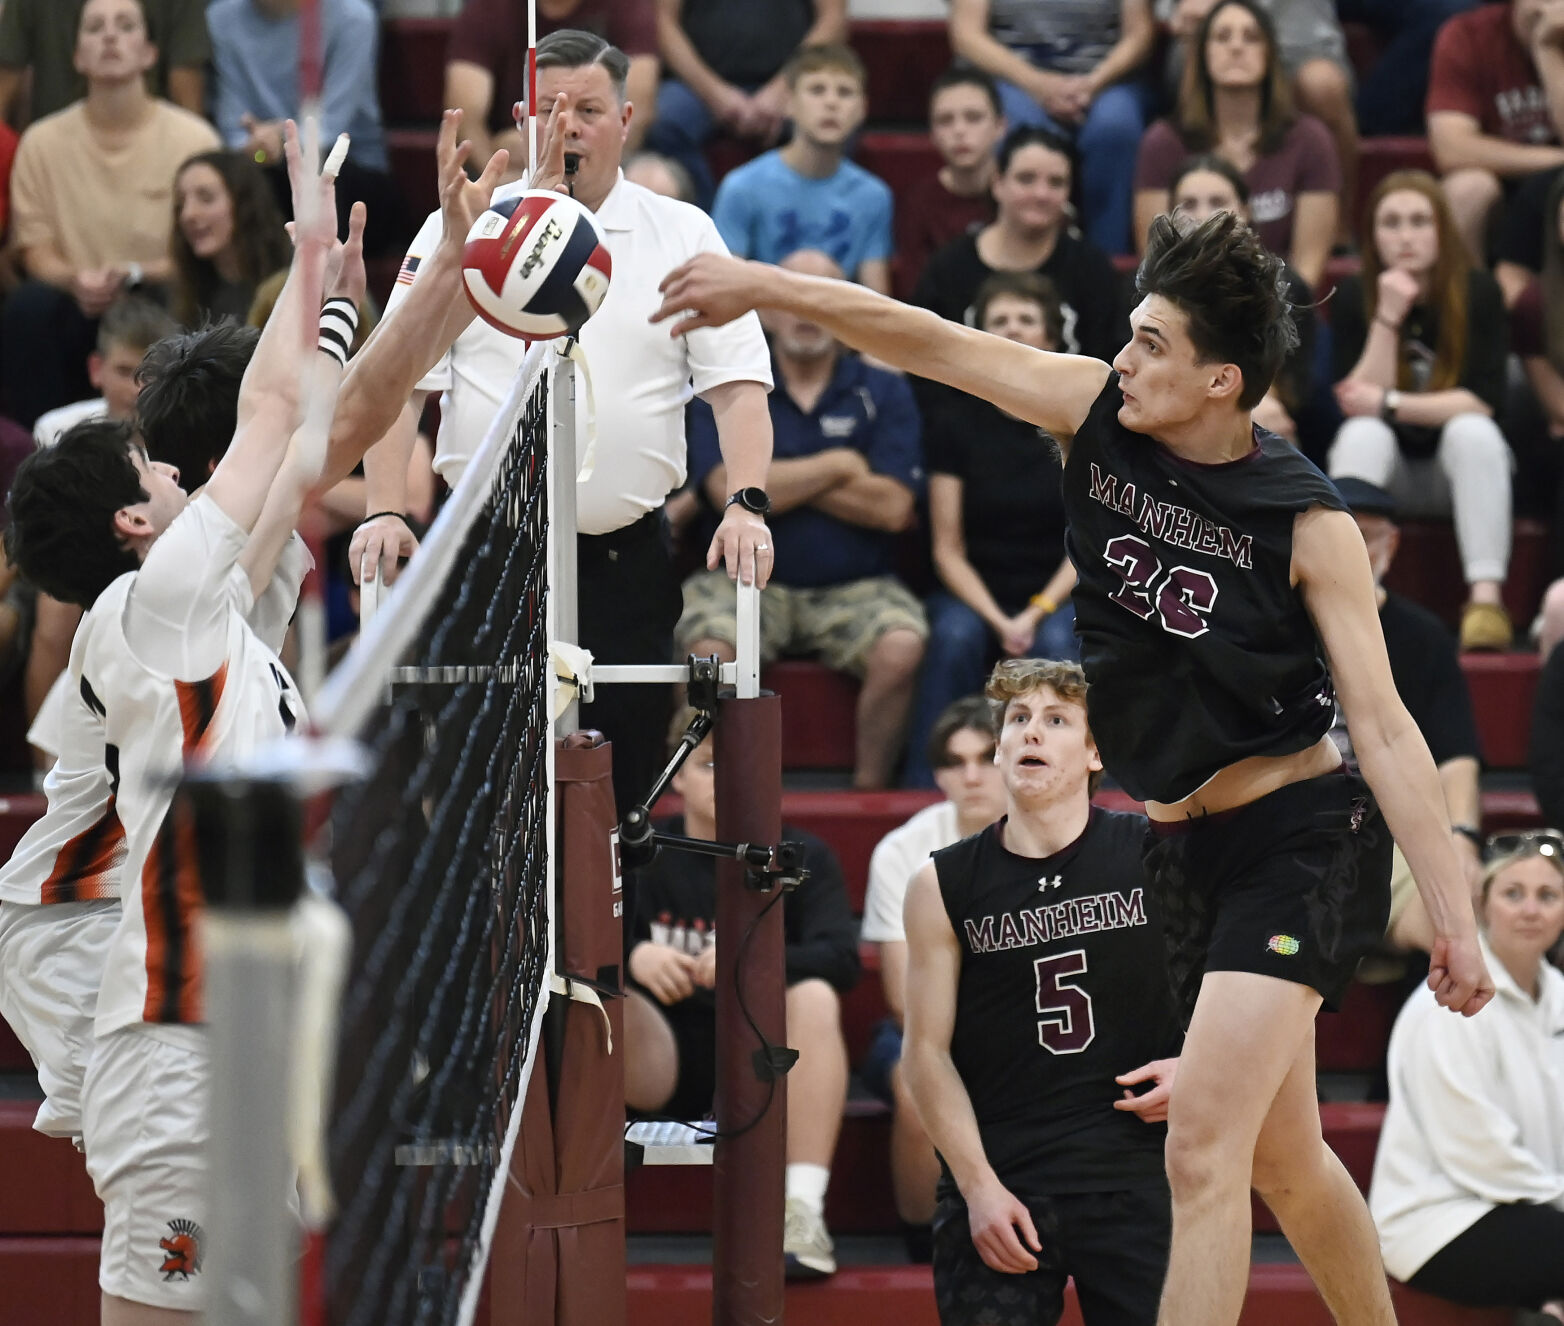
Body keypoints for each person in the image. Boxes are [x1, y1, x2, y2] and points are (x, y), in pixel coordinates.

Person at [652, 204, 1493, 1326]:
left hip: (1297, 836)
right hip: (1177, 846)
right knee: (1283, 1163)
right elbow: (930, 342)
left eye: (1153, 345)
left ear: (1220, 384)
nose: (1126, 356)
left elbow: (1386, 731)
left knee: (1199, 1153)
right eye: (1130, 332)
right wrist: (769, 282)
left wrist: (1454, 914)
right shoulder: (1093, 411)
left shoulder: (1308, 524)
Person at [350, 29, 775, 820]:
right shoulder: (466, 229)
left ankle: (615, 943)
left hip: (625, 560)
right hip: (487, 553)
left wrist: (746, 502)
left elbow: (739, 388)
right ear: (520, 117)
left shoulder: (681, 232)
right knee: (485, 798)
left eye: (587, 109)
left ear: (626, 117)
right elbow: (395, 386)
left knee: (624, 796)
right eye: (551, 110)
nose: (568, 126)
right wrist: (382, 508)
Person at [901, 658, 1182, 1325]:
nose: (1032, 732)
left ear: (1094, 751)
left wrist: (1205, 1064)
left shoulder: (1161, 854)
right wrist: (977, 1189)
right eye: (1018, 719)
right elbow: (925, 1055)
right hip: (1004, 1186)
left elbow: (1277, 951)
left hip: (1140, 1180)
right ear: (998, 747)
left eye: (1056, 720)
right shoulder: (939, 885)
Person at [625, 711, 860, 1279]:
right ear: (675, 776)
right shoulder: (638, 852)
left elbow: (842, 961)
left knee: (817, 998)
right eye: (708, 766)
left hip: (766, 1061)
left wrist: (746, 961)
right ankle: (565, 1193)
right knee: (597, 993)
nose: (726, 780)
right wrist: (633, 956)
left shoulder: (801, 856)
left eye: (741, 768)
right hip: (666, 1056)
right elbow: (573, 950)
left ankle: (802, 1208)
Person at [679, 248, 924, 789]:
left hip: (855, 586)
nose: (805, 314)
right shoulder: (727, 379)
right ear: (764, 309)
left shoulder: (882, 389)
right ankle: (695, 794)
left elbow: (892, 508)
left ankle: (869, 795)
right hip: (742, 579)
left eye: (821, 298)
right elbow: (721, 487)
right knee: (709, 653)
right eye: (790, 298)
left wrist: (770, 482)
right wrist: (838, 466)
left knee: (901, 645)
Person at [1369, 841, 1564, 1320]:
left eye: (1548, 895)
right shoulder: (1450, 1002)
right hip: (1439, 1219)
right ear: (1482, 904)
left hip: (1532, 1203)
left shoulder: (1558, 996)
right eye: (1513, 893)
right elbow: (1474, 1146)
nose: (1530, 910)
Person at [1, 0, 219, 428]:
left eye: (125, 26)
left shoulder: (193, 139)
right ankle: (35, 454)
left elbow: (205, 245)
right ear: (77, 57)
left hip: (158, 290)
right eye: (95, 28)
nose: (110, 37)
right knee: (28, 308)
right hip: (74, 298)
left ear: (150, 52)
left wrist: (137, 271)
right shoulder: (41, 142)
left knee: (198, 300)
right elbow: (33, 248)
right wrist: (75, 279)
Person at [1325, 171, 1514, 652]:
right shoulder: (1354, 296)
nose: (1405, 236)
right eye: (1390, 223)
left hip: (1460, 472)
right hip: (1390, 471)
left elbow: (1480, 401)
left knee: (1472, 431)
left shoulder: (1479, 292)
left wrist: (1391, 403)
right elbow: (1355, 401)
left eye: (1418, 221)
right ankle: (1348, 594)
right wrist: (1388, 316)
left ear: (1442, 230)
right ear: (1371, 236)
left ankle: (1485, 601)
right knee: (1363, 436)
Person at [904, 272, 1077, 790]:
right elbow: (947, 550)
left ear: (1050, 337)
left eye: (1027, 320)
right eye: (1000, 320)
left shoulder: (1073, 423)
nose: (1015, 330)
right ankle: (927, 785)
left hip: (1057, 593)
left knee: (1057, 642)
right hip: (971, 591)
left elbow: (1086, 544)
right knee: (955, 636)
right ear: (979, 334)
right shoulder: (953, 421)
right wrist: (1000, 620)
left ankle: (1068, 782)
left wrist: (1032, 613)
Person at [859, 695, 1006, 1251]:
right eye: (953, 760)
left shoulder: (1056, 835)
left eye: (986, 756)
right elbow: (901, 998)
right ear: (936, 773)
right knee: (915, 1075)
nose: (971, 775)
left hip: (1038, 1015)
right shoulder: (903, 850)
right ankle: (923, 1243)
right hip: (927, 1025)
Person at [1327, 477, 1484, 957]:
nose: (1353, 551)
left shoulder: (1423, 637)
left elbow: (1456, 753)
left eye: (1366, 536)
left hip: (1393, 829)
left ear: (1390, 545)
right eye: (1341, 536)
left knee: (1460, 911)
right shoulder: (1275, 628)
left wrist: (1462, 838)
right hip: (1299, 824)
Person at [1133, 0, 1339, 290]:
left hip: (1278, 310)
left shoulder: (1310, 140)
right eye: (1222, 37)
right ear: (1202, 53)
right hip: (1186, 305)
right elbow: (1155, 259)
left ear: (1270, 53)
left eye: (1251, 37)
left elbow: (1307, 271)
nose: (1236, 47)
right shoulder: (1163, 142)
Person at [949, 0, 1156, 254]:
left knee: (1115, 128)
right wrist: (1038, 84)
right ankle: (1032, 255)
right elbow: (967, 36)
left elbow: (1140, 33)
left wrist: (1092, 84)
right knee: (1030, 138)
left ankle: (1107, 260)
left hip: (1105, 78)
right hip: (1012, 77)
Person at [913, 126, 1126, 365]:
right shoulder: (948, 269)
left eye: (1056, 182)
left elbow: (1106, 368)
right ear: (997, 182)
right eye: (1026, 179)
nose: (1041, 194)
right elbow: (927, 368)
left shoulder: (1092, 270)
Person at [208, 0, 403, 258]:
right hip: (261, 162)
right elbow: (233, 129)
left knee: (321, 176)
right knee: (218, 180)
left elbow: (331, 126)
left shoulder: (352, 16)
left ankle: (334, 291)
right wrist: (263, 151)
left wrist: (282, 142)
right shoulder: (220, 17)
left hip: (349, 166)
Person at [710, 44, 894, 295]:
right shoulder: (742, 186)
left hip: (838, 327)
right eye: (816, 90)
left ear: (862, 109)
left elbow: (878, 305)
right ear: (788, 104)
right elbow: (724, 291)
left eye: (845, 92)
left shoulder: (874, 196)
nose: (831, 103)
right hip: (762, 326)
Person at [1164, 152, 1315, 450]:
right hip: (1168, 415)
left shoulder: (1287, 286)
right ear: (1169, 215)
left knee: (1269, 420)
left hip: (1255, 414)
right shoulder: (1142, 288)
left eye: (1218, 203)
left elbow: (1295, 389)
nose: (1203, 215)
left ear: (1244, 211)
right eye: (1189, 204)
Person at [645, 0, 848, 209]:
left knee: (831, 118)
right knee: (664, 122)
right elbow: (663, 22)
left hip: (792, 82)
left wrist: (783, 88)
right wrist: (715, 94)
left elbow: (831, 20)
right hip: (698, 84)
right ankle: (704, 227)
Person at [445, 0, 659, 177]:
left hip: (608, 161)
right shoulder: (488, 8)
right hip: (517, 161)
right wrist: (495, 175)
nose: (567, 126)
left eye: (588, 109)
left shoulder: (627, 6)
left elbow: (639, 108)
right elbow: (466, 116)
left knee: (654, 178)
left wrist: (589, 170)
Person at [1427, 0, 1564, 271]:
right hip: (1502, 186)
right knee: (1467, 190)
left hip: (1560, 189)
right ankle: (1475, 306)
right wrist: (1557, 158)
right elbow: (1451, 149)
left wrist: (1548, 50)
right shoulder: (1467, 35)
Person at [0, 0, 208, 124]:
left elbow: (185, 88)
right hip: (58, 149)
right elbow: (6, 82)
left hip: (154, 142)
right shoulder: (40, 147)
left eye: (125, 26)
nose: (109, 36)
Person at [897, 66, 1006, 299]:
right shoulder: (918, 201)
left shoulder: (1022, 193)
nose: (959, 131)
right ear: (932, 134)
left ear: (1000, 126)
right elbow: (916, 295)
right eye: (945, 120)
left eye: (973, 118)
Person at [33, 296, 178, 447]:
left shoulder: (193, 439)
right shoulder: (57, 432)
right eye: (123, 372)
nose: (138, 389)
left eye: (150, 374)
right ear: (96, 369)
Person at [170, 149, 291, 328]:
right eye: (181, 204)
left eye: (206, 198)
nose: (187, 214)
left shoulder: (293, 277)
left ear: (244, 204)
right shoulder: (189, 295)